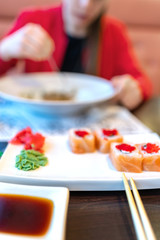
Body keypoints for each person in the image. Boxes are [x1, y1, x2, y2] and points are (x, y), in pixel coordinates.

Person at [0, 0, 152, 109]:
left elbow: (141, 81)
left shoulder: (114, 31)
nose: (86, 5)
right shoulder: (32, 19)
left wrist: (133, 88)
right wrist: (4, 49)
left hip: (89, 121)